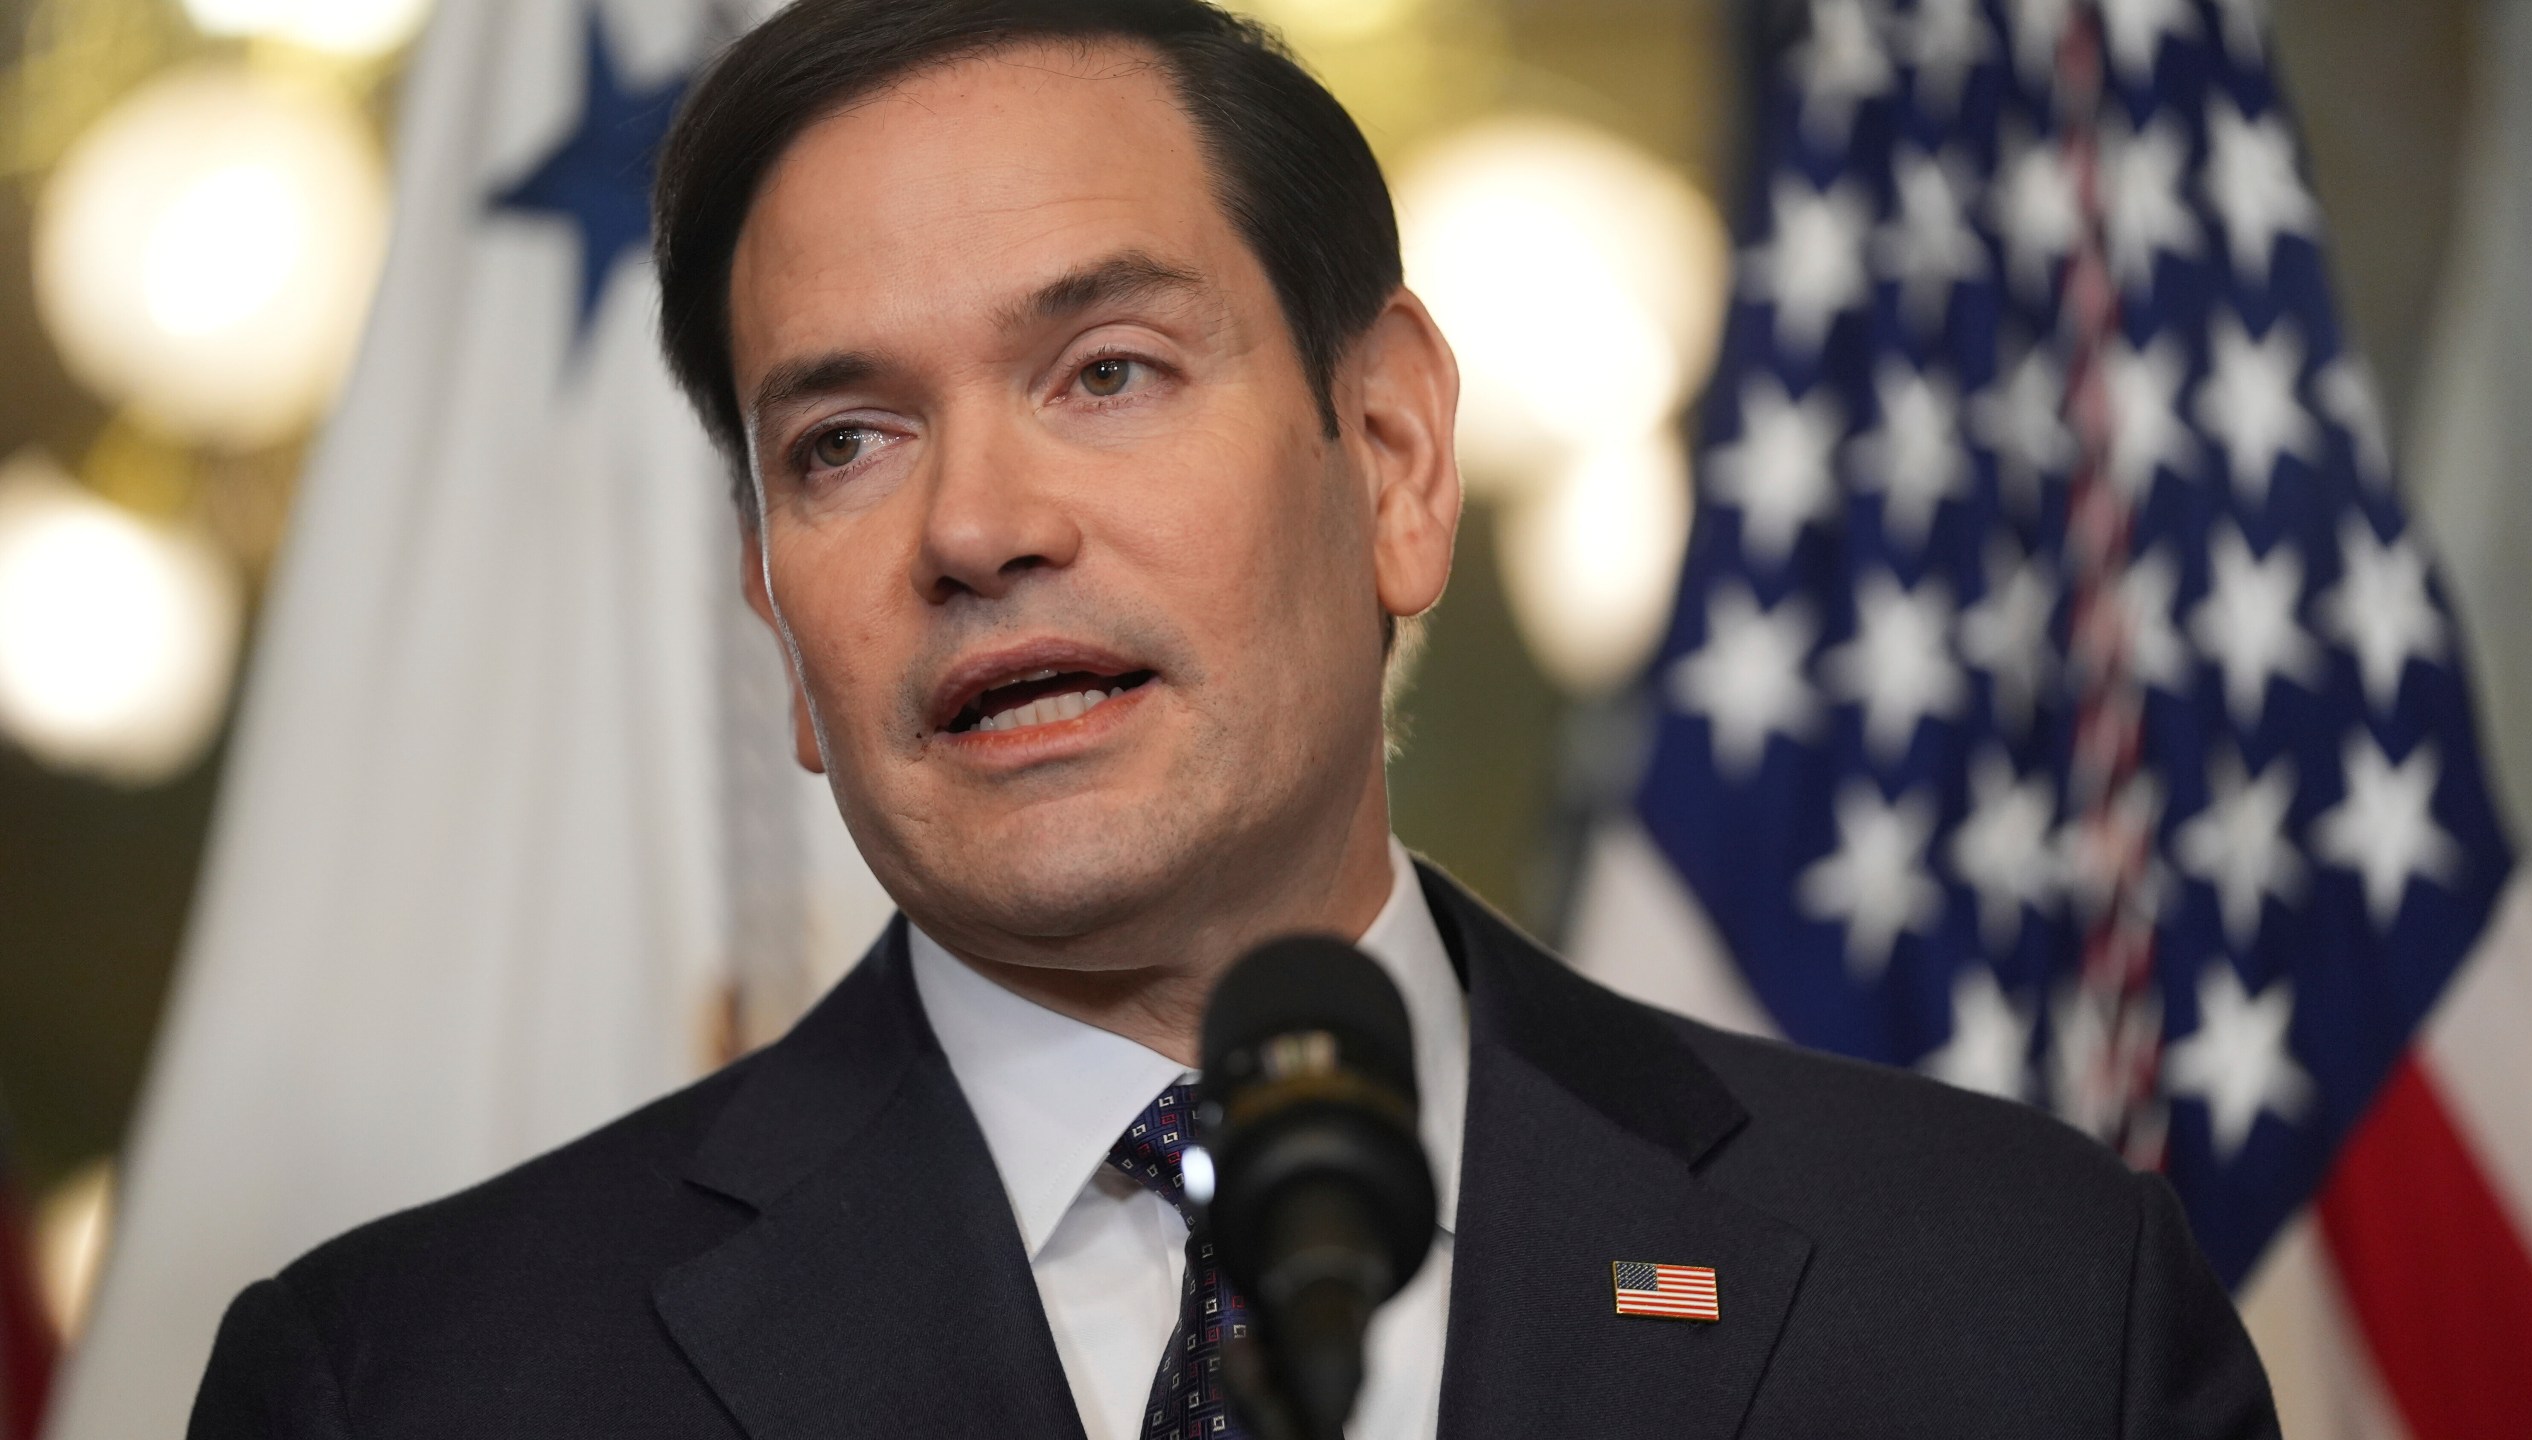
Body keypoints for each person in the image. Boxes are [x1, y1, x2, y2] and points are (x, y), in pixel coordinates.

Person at [188, 1, 2281, 1435]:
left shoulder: (2010, 1309)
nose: (976, 526)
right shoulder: (415, 1384)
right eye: (841, 440)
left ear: (1383, 454)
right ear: (772, 608)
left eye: (1102, 369)